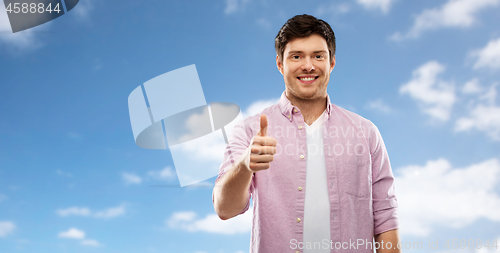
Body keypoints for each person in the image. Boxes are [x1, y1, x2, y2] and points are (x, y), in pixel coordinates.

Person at [212, 14, 400, 253]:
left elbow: (385, 216)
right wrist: (246, 164)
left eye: (318, 56)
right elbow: (224, 209)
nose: (308, 65)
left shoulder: (366, 133)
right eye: (296, 56)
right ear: (280, 64)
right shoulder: (249, 130)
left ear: (332, 63)